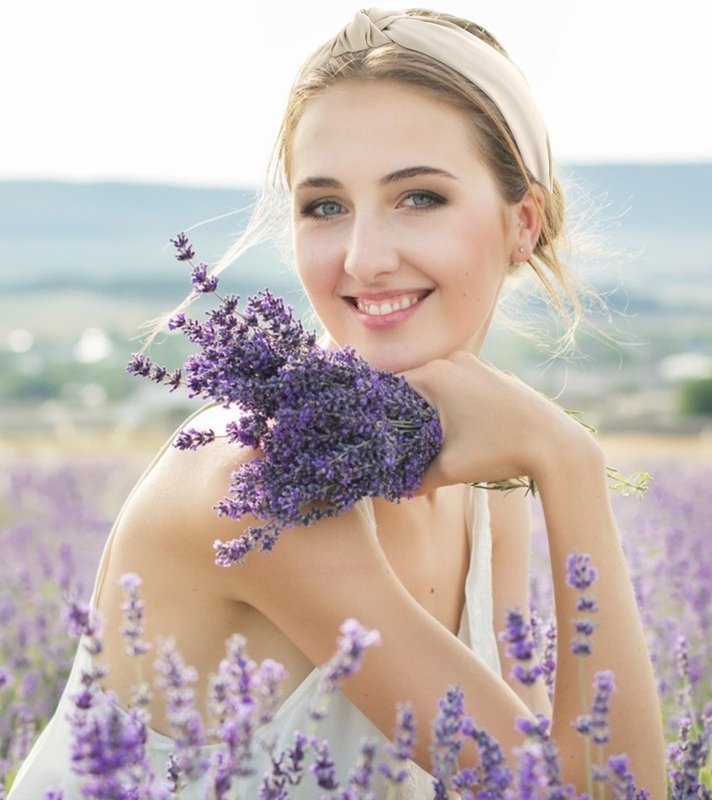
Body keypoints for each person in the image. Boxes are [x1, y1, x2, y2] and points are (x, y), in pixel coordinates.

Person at [9, 8, 666, 798]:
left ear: (522, 221)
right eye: (325, 206)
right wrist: (570, 462)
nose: (364, 258)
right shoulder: (264, 481)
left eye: (418, 197)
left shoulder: (484, 472)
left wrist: (550, 460)